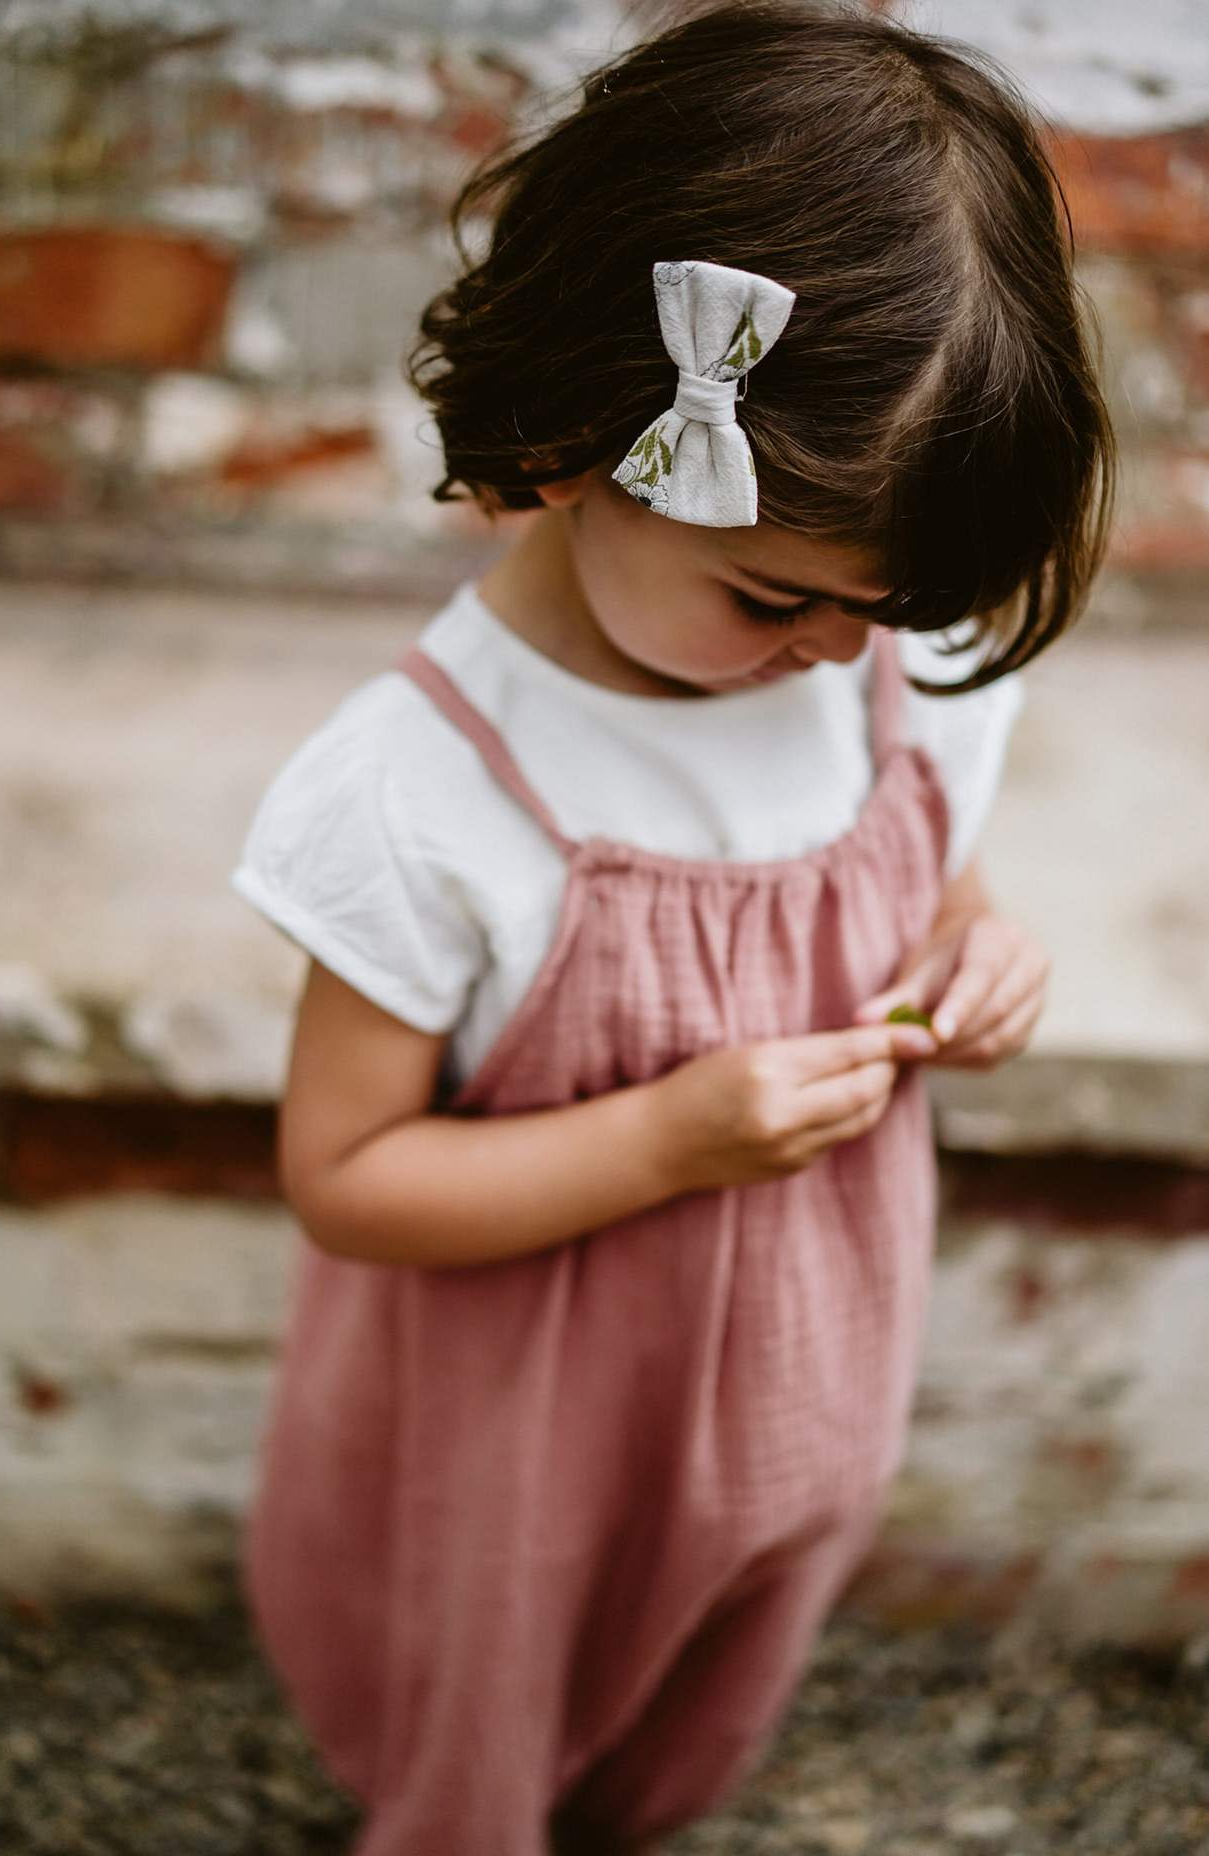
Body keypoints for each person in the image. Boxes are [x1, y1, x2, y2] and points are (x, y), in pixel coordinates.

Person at [230, 3, 1115, 1851]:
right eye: (776, 594)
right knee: (498, 1689)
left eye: (891, 605)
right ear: (575, 442)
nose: (844, 654)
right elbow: (346, 1176)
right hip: (530, 1423)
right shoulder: (423, 791)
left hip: (803, 1359)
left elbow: (898, 854)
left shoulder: (893, 656)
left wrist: (976, 934)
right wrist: (668, 1138)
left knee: (715, 1647)